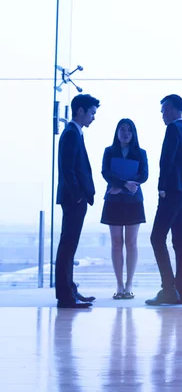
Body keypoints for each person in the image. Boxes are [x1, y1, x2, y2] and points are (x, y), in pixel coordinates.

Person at [146, 94, 182, 306]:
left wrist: (162, 186)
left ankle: (168, 289)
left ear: (175, 109)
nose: (163, 114)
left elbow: (166, 160)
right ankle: (180, 291)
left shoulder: (173, 130)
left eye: (165, 110)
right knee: (180, 242)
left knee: (157, 238)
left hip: (171, 191)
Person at [55, 93, 100, 309]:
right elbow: (68, 169)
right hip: (74, 199)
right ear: (80, 111)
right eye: (91, 113)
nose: (93, 117)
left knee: (69, 246)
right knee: (67, 246)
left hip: (75, 198)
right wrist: (78, 195)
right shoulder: (72, 133)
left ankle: (69, 291)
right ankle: (65, 296)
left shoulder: (75, 132)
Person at [101, 118, 148, 300]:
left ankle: (129, 284)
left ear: (133, 133)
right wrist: (123, 185)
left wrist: (126, 185)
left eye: (129, 130)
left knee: (131, 242)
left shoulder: (140, 152)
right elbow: (105, 172)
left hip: (133, 200)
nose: (126, 133)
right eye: (122, 129)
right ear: (117, 132)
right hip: (113, 199)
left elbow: (144, 174)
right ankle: (119, 285)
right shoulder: (109, 151)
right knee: (116, 243)